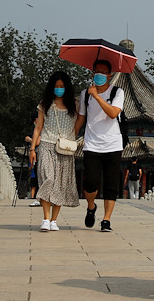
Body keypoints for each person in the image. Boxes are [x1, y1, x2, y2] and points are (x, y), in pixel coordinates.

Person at [74, 59, 125, 232]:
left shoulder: (118, 92)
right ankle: (91, 207)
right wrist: (72, 136)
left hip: (113, 143)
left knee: (111, 184)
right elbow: (81, 116)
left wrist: (97, 96)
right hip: (92, 144)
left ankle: (106, 219)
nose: (99, 75)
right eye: (97, 72)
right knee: (91, 183)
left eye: (103, 72)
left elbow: (112, 113)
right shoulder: (85, 94)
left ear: (109, 76)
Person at [29, 71, 80, 231]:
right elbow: (38, 127)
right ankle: (45, 218)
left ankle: (54, 220)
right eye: (56, 86)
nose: (59, 89)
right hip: (46, 145)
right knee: (48, 179)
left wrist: (71, 137)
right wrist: (32, 149)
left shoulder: (76, 105)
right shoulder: (44, 104)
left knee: (60, 184)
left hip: (65, 149)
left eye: (62, 86)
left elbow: (80, 122)